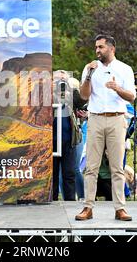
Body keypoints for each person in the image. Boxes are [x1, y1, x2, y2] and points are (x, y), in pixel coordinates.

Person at [76, 34, 135, 221]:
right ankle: (88, 207)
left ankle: (120, 209)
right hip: (95, 119)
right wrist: (88, 77)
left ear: (112, 48)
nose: (97, 50)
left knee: (117, 167)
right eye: (96, 47)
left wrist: (117, 88)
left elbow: (132, 97)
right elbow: (84, 96)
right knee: (91, 167)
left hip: (117, 119)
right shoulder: (90, 68)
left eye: (101, 47)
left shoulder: (125, 69)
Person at [53, 71, 86, 201]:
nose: (61, 82)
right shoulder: (45, 93)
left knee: (69, 173)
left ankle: (70, 201)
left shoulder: (71, 93)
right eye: (57, 79)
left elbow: (83, 102)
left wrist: (69, 92)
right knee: (53, 174)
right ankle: (52, 199)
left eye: (64, 79)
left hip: (69, 139)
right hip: (50, 141)